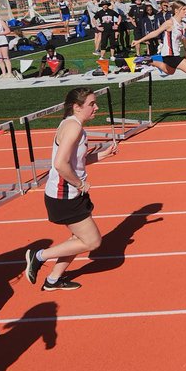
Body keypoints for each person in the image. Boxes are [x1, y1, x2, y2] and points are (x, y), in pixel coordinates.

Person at [24, 89, 116, 291]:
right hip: (64, 196)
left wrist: (103, 155)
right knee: (92, 242)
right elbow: (60, 164)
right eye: (92, 104)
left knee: (78, 238)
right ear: (77, 107)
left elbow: (77, 161)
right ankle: (38, 255)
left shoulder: (74, 126)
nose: (96, 107)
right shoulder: (73, 128)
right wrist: (80, 184)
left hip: (71, 194)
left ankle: (53, 280)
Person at [132, 2, 186, 94]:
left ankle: (149, 60)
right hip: (170, 55)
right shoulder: (170, 23)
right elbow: (155, 33)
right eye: (183, 9)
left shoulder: (184, 24)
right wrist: (139, 41)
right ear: (176, 11)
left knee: (170, 71)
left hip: (173, 55)